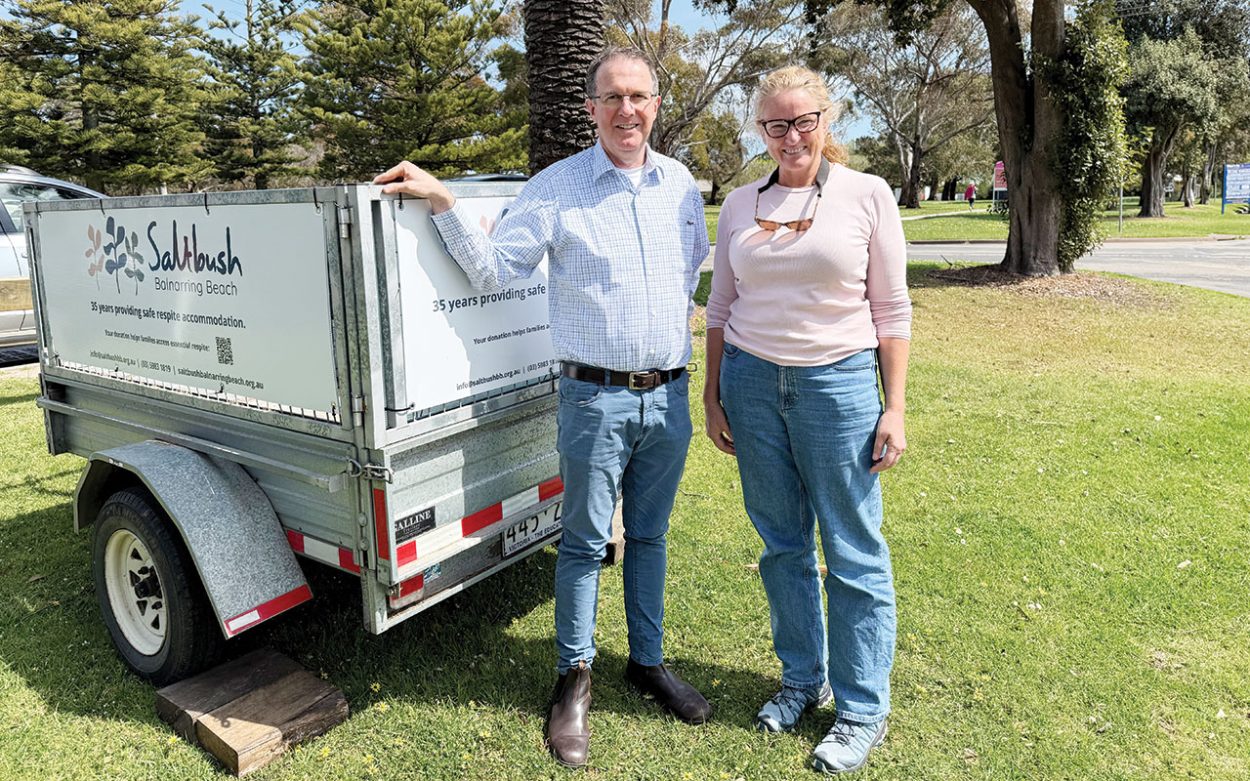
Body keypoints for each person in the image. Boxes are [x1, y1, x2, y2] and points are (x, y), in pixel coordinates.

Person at [373, 46, 712, 769]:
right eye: (612, 97)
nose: (627, 109)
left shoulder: (680, 185)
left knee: (648, 536)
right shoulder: (557, 188)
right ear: (590, 109)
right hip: (594, 398)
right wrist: (443, 201)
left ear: (657, 104)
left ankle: (647, 663)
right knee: (587, 542)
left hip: (670, 398)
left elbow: (691, 271)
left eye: (640, 96)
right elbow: (498, 267)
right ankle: (573, 679)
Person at [701, 65, 911, 775]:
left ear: (828, 119)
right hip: (753, 385)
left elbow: (893, 311)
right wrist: (713, 393)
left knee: (852, 550)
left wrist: (895, 406)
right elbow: (721, 308)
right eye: (775, 124)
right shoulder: (739, 204)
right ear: (759, 130)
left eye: (804, 121)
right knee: (781, 544)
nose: (791, 136)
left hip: (839, 387)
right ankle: (802, 678)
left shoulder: (867, 195)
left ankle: (860, 707)